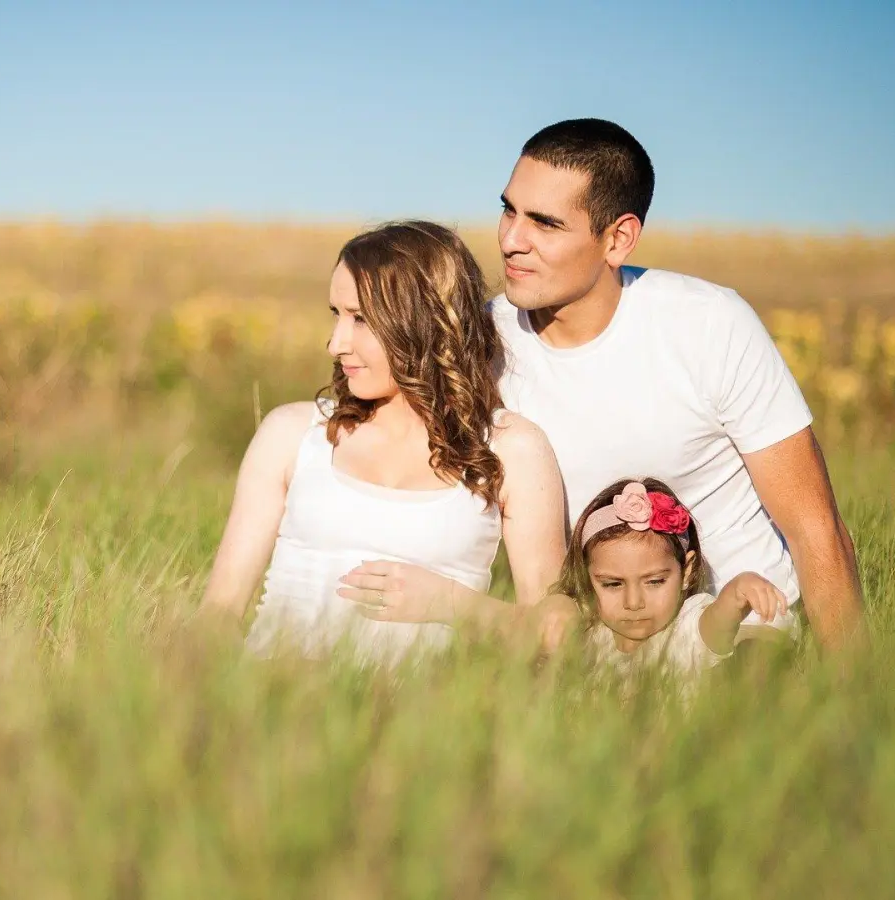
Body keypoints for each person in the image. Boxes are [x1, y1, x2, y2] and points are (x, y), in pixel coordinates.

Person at [359, 118, 864, 652]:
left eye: (545, 223)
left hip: (737, 637)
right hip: (588, 646)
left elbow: (817, 529)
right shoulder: (480, 341)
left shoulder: (710, 324)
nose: (511, 240)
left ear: (617, 238)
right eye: (509, 210)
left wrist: (854, 705)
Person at [196, 221, 569, 667]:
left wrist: (452, 603)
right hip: (275, 708)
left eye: (360, 319)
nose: (336, 343)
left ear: (425, 319)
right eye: (336, 314)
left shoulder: (512, 448)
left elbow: (558, 634)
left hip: (421, 725)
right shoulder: (292, 434)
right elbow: (218, 613)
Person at [553, 477, 788, 684]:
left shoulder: (686, 629)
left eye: (654, 582)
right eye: (613, 584)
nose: (634, 602)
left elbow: (717, 624)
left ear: (686, 571)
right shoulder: (590, 634)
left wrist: (737, 593)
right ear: (586, 577)